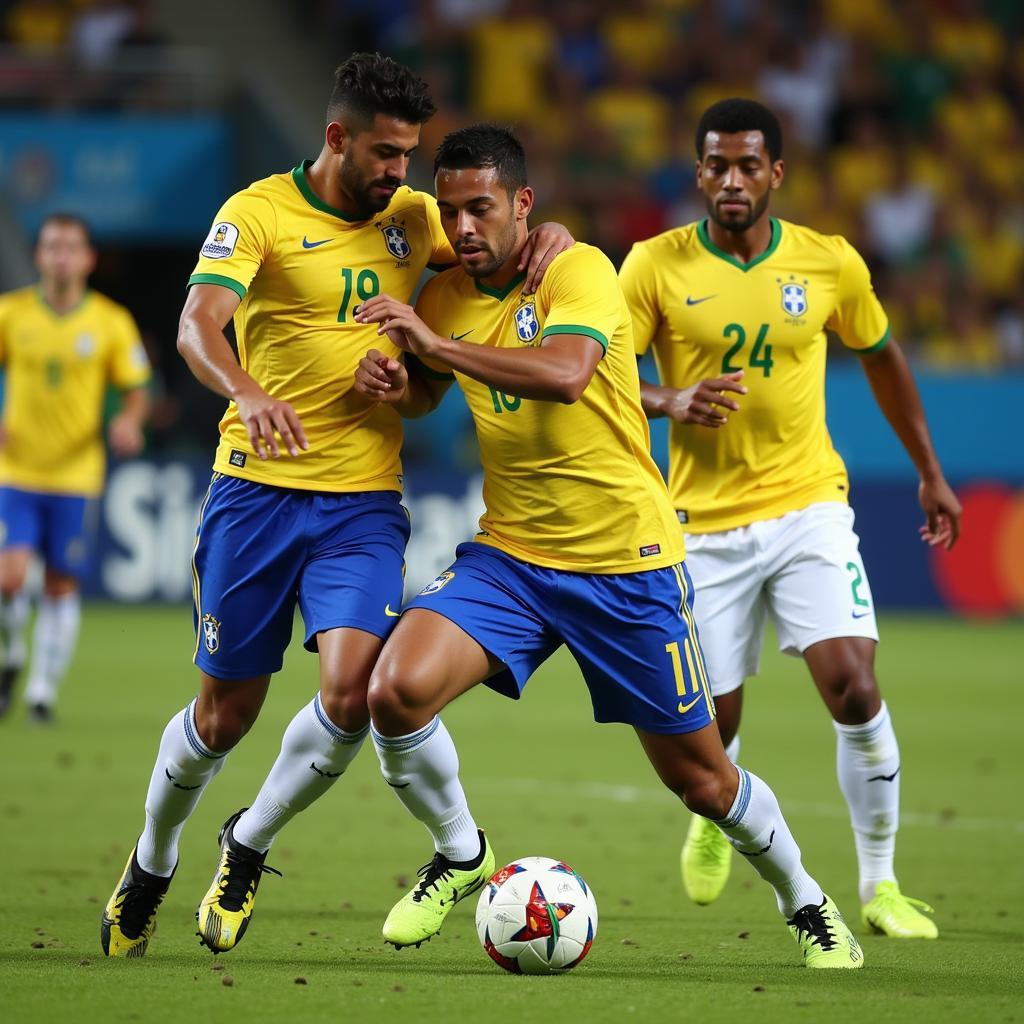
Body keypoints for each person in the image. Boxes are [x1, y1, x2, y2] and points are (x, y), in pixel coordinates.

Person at [352, 124, 863, 969]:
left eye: (481, 207)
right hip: (512, 557)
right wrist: (399, 381)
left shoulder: (578, 269)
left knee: (702, 782)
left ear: (522, 203)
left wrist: (432, 345)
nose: (464, 227)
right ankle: (459, 852)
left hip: (626, 564)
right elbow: (425, 394)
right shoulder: (443, 295)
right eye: (450, 212)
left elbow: (566, 374)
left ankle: (806, 902)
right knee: (393, 694)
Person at [100, 54, 572, 959]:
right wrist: (247, 391)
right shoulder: (257, 213)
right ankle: (152, 862)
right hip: (256, 494)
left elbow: (498, 239)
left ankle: (247, 847)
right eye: (387, 154)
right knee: (220, 719)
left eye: (410, 155)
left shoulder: (413, 219)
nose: (404, 175)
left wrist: (546, 237)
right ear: (336, 138)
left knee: (353, 693)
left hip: (361, 501)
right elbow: (198, 323)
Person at [619, 98, 961, 939]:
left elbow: (881, 355)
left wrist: (929, 472)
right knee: (714, 722)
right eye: (715, 165)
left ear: (776, 173)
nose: (730, 180)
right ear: (697, 173)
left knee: (853, 684)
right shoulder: (652, 267)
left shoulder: (829, 263)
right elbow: (593, 374)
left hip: (809, 503)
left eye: (747, 165)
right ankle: (715, 808)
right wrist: (670, 400)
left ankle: (880, 886)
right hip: (699, 525)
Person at [0, 213, 149, 723]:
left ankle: (41, 691)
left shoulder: (110, 322)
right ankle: (13, 655)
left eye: (70, 247)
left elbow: (137, 391)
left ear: (87, 259)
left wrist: (129, 421)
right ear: (39, 256)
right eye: (51, 246)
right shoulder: (10, 314)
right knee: (9, 580)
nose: (60, 255)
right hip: (15, 470)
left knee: (61, 584)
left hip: (75, 475)